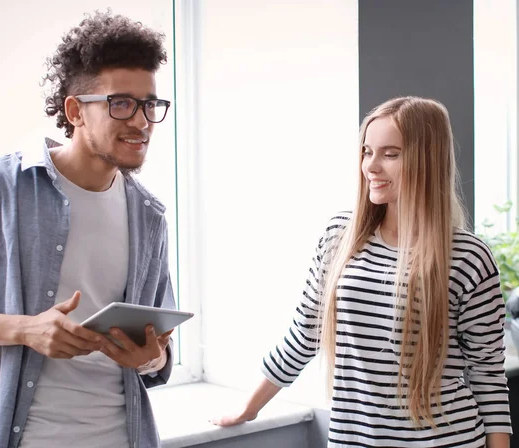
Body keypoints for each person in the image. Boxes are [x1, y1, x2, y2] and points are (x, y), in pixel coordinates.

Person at [0, 11, 176, 448]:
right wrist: (24, 329)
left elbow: (160, 347)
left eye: (150, 104)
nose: (141, 121)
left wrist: (152, 358)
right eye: (121, 103)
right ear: (75, 110)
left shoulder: (150, 215)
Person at [213, 97, 512, 447]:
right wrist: (249, 409)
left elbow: (487, 376)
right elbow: (304, 334)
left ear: (426, 161)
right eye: (367, 151)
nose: (370, 165)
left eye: (390, 154)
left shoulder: (468, 256)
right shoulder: (339, 236)